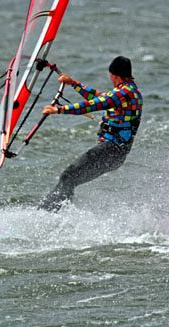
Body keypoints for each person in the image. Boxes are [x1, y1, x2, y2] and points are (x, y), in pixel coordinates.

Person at [38, 55, 142, 211]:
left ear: (114, 75)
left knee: (68, 176)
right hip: (115, 155)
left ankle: (44, 216)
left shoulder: (124, 93)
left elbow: (95, 104)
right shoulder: (128, 91)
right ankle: (59, 215)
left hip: (111, 151)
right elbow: (99, 97)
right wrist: (73, 84)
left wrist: (59, 110)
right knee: (71, 180)